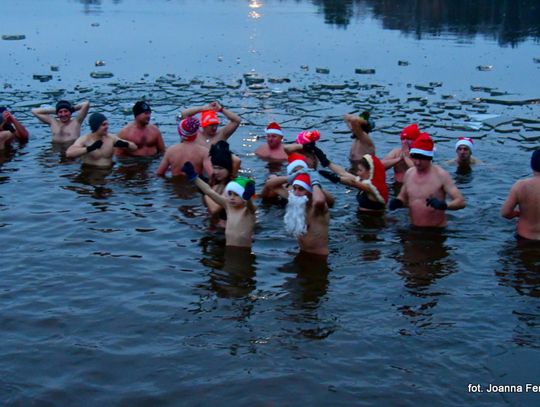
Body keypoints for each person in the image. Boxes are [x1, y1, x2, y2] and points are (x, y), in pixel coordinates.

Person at [388, 132, 466, 227]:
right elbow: (403, 197)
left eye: (421, 159)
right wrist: (398, 202)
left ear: (429, 158)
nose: (417, 162)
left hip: (436, 232)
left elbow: (461, 201)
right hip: (414, 229)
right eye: (415, 158)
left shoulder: (441, 175)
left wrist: (444, 205)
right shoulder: (409, 173)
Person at [183, 161, 256, 248]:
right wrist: (194, 177)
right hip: (229, 250)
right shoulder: (228, 206)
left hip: (243, 252)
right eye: (230, 194)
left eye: (236, 195)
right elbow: (209, 192)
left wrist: (248, 197)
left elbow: (250, 205)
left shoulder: (248, 211)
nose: (232, 197)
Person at [314, 144, 388, 213]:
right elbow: (343, 173)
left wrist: (336, 178)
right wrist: (326, 161)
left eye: (360, 170)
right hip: (363, 218)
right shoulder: (364, 181)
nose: (358, 173)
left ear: (370, 171)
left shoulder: (371, 187)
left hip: (373, 223)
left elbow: (353, 183)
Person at [66, 112, 137, 167]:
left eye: (107, 124)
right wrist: (90, 148)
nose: (107, 127)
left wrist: (125, 144)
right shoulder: (84, 139)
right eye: (104, 125)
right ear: (96, 126)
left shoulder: (111, 138)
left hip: (109, 171)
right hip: (91, 172)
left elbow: (134, 147)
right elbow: (69, 153)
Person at [284, 170, 329, 257]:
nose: (296, 193)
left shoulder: (317, 209)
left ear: (310, 191)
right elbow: (271, 185)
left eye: (301, 189)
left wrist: (315, 182)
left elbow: (319, 200)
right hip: (302, 253)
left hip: (319, 258)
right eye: (294, 188)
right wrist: (293, 176)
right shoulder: (299, 204)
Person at [500, 149, 540, 241]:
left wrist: (519, 213)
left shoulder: (520, 185)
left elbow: (505, 213)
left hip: (525, 238)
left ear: (532, 164)